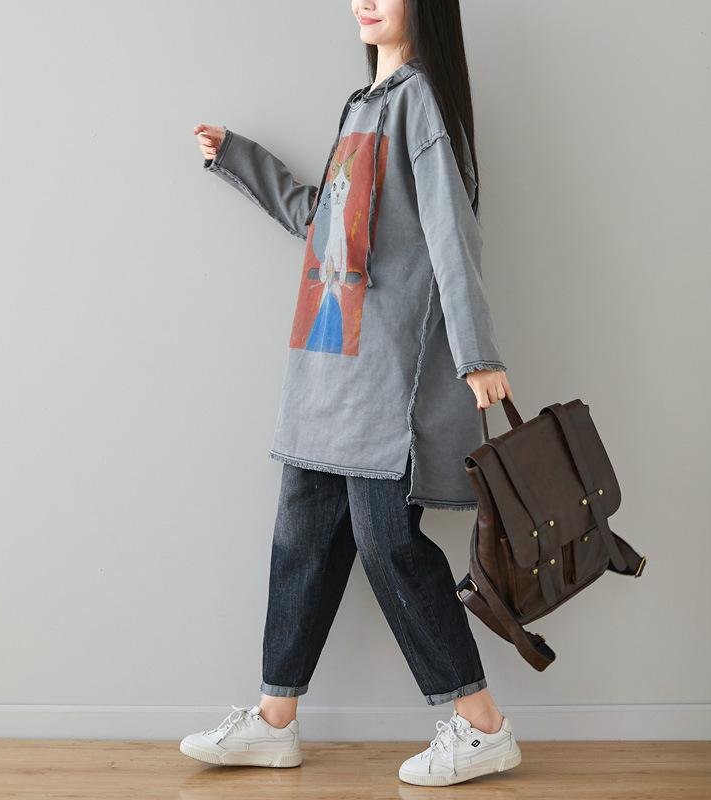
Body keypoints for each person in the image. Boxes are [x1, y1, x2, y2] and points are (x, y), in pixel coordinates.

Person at [181, 0, 521, 787]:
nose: (366, 0)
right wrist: (240, 157)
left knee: (388, 543)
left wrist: (476, 354)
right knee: (300, 539)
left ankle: (484, 728)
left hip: (383, 376)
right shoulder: (362, 106)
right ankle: (274, 721)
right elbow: (323, 222)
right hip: (324, 365)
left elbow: (451, 231)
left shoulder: (418, 102)